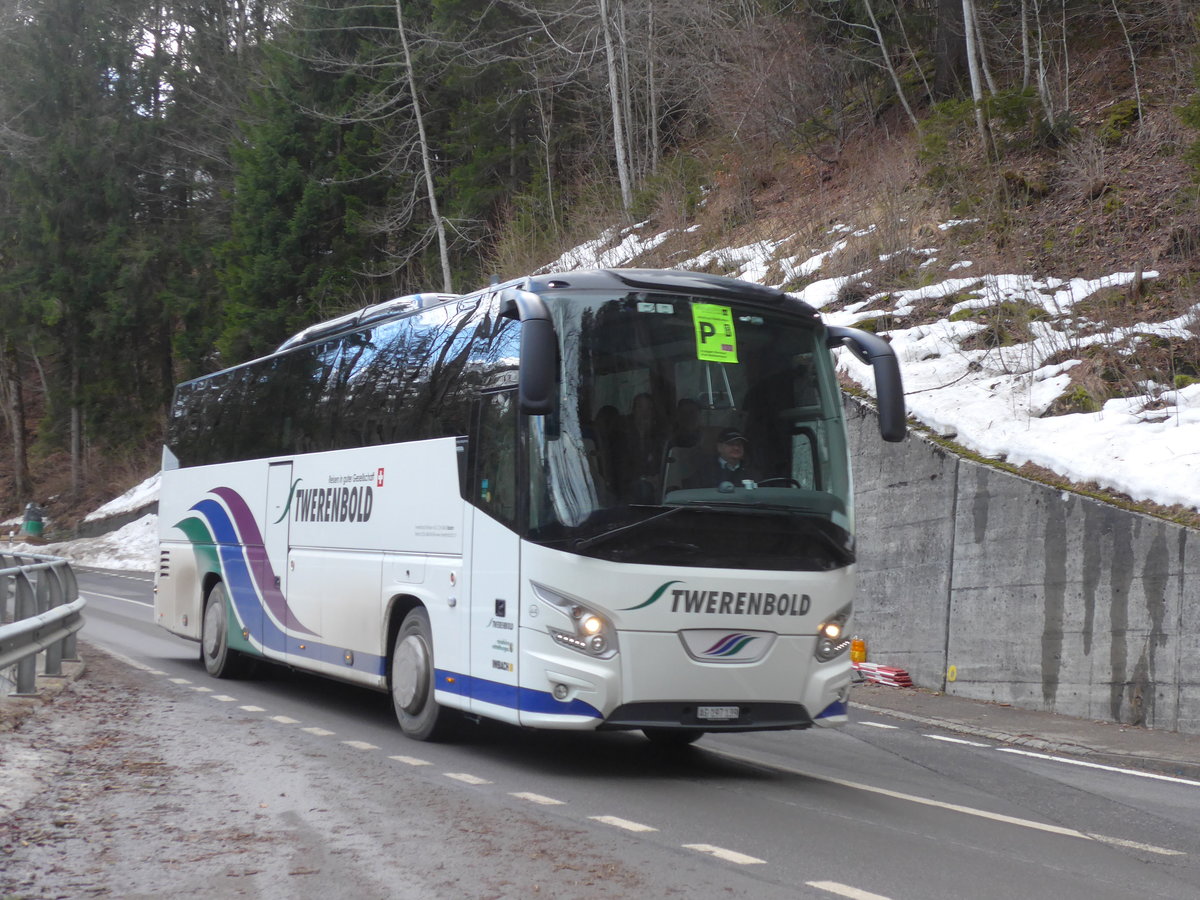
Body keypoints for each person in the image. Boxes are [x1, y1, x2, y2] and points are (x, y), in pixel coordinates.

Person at [684, 430, 756, 488]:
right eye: (731, 444)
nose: (736, 448)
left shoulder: (752, 473)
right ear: (719, 447)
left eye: (739, 444)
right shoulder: (704, 472)